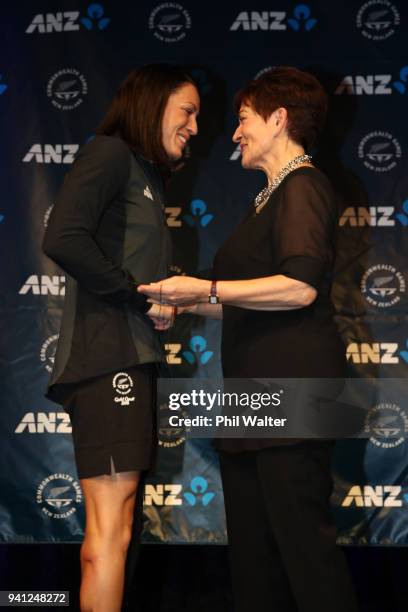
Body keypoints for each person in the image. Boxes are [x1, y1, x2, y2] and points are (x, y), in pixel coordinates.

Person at [138, 66, 359, 612]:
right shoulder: (268, 197)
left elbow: (300, 288)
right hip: (252, 392)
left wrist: (205, 286)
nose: (233, 133)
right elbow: (249, 301)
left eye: (242, 120)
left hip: (293, 386)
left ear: (279, 119)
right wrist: (189, 300)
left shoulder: (304, 185)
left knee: (302, 549)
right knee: (254, 558)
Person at [42, 64, 200, 612]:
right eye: (188, 111)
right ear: (152, 106)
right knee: (110, 531)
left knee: (119, 525)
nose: (195, 126)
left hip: (128, 358)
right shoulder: (110, 153)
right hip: (107, 356)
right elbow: (62, 236)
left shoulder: (147, 176)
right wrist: (138, 298)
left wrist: (157, 303)